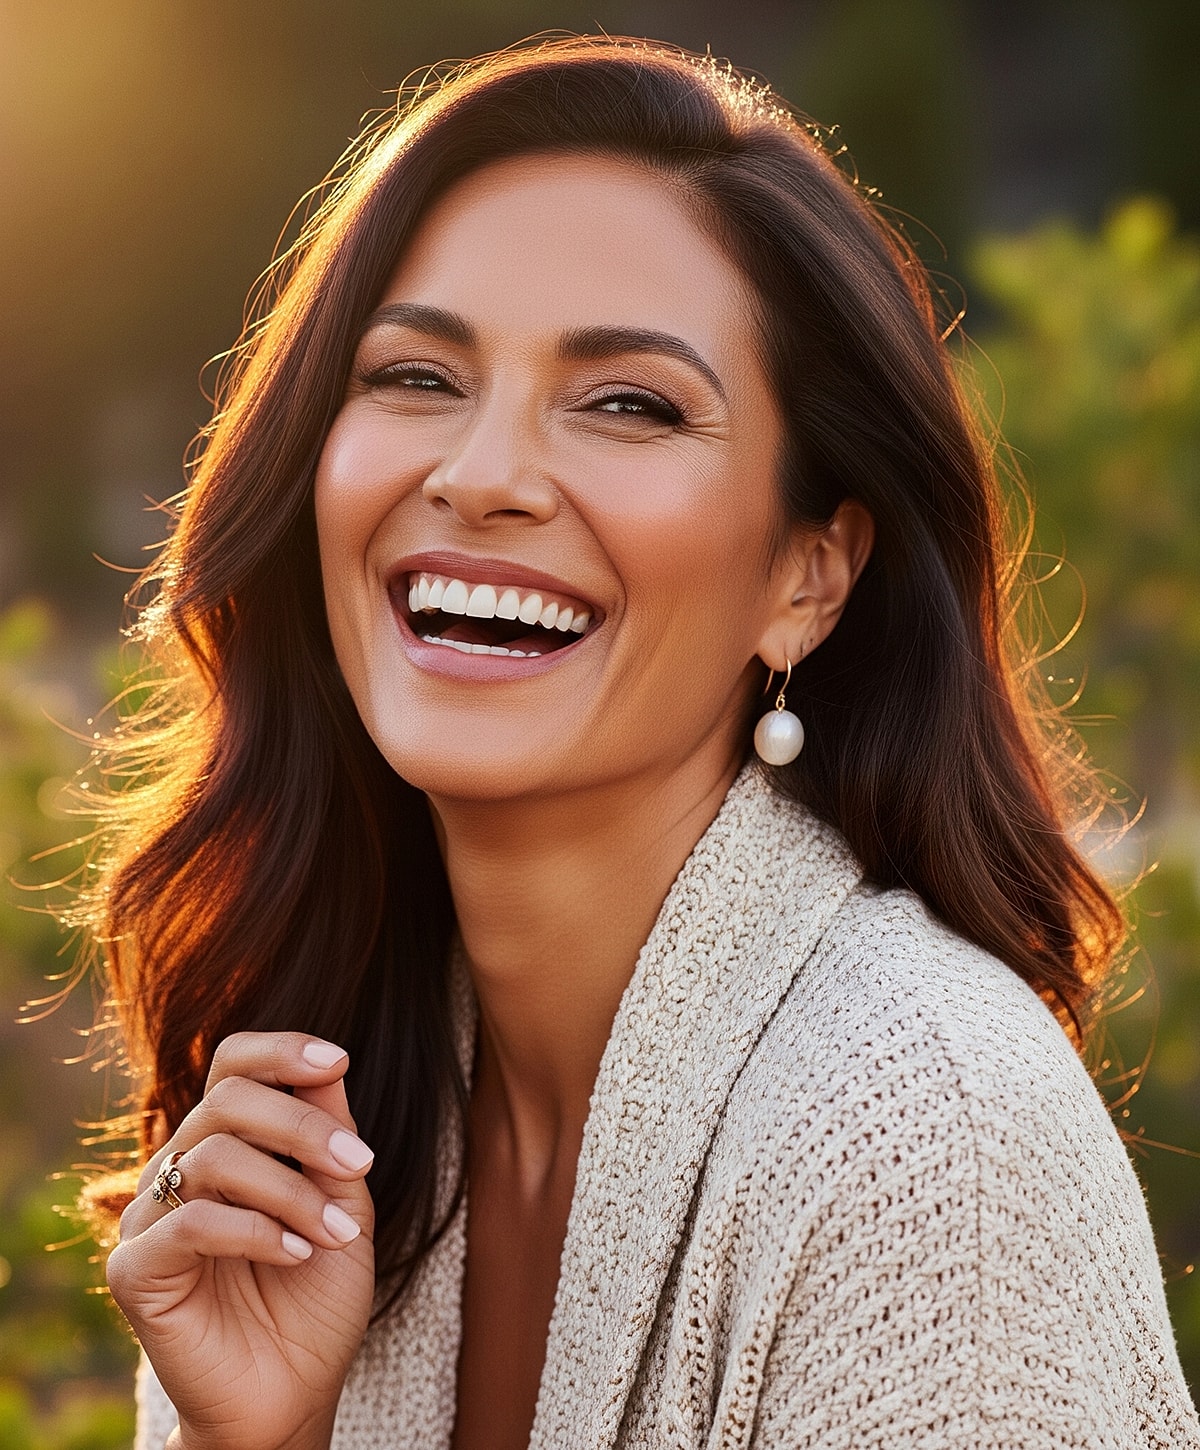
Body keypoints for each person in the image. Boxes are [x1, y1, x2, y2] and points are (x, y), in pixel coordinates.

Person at [89, 34, 1199, 1450]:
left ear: (808, 575)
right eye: (417, 375)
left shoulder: (928, 1140)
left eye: (629, 403)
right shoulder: (317, 1099)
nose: (481, 475)